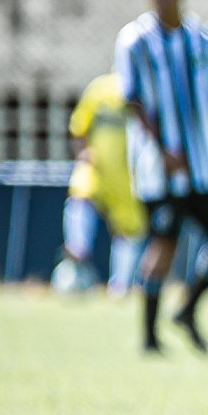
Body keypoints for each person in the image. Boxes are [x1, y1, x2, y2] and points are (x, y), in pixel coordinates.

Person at [114, 0, 208, 354]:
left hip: (205, 167)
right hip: (163, 170)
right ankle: (149, 336)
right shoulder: (135, 41)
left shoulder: (205, 37)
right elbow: (132, 100)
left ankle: (188, 306)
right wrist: (162, 149)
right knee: (163, 246)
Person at [51, 71, 147, 297]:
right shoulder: (100, 89)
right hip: (97, 168)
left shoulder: (148, 92)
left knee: (130, 229)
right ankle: (77, 255)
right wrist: (82, 151)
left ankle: (120, 287)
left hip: (129, 176)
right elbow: (79, 126)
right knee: (80, 197)